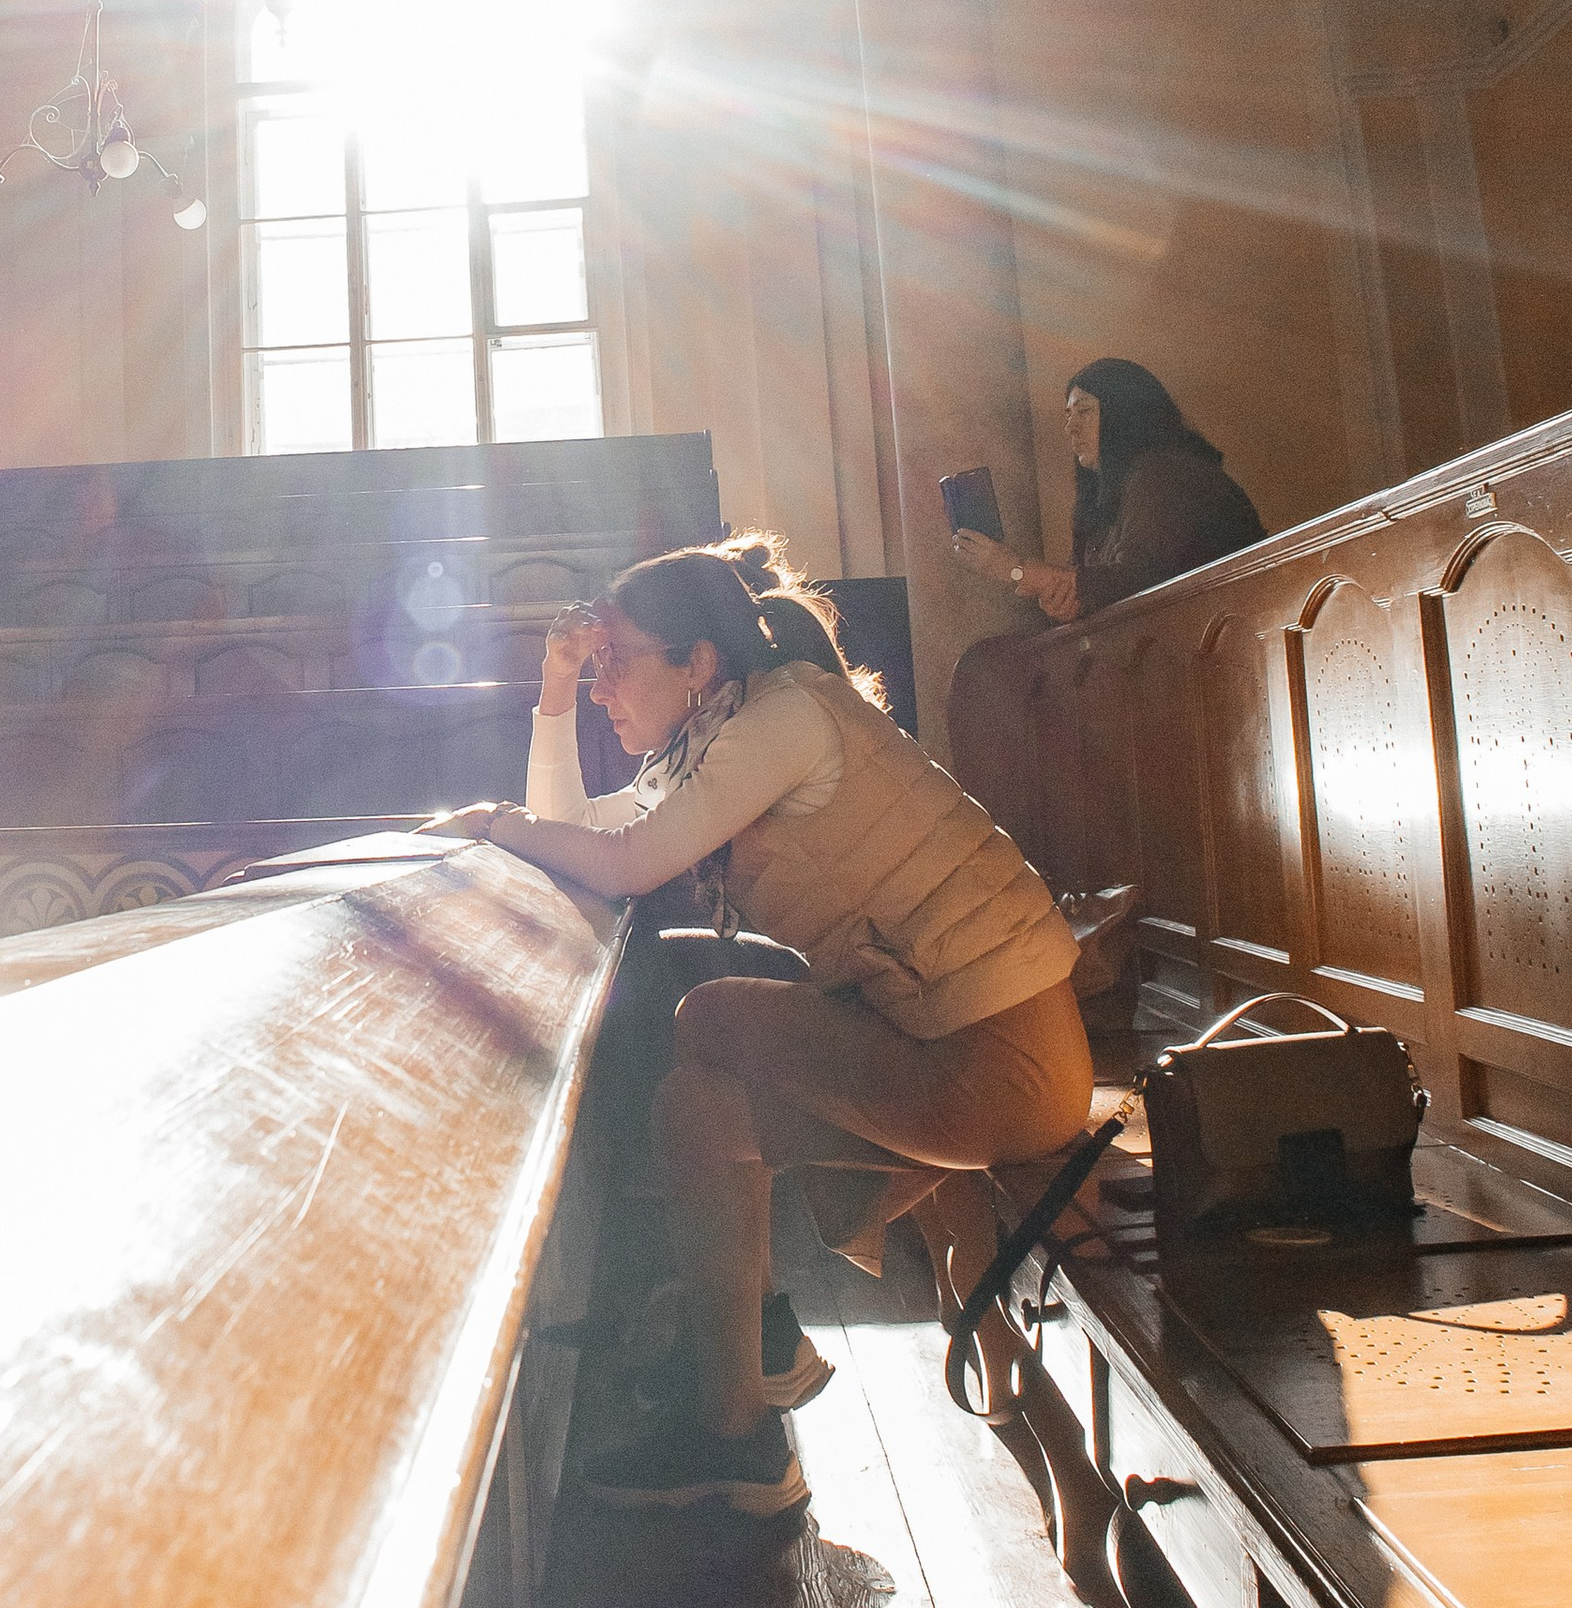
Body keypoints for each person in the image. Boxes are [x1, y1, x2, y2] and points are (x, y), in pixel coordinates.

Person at [457, 534, 1091, 1518]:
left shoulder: (783, 716)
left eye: (613, 661)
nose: (600, 684)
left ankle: (757, 1363)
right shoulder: (706, 739)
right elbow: (575, 836)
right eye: (594, 667)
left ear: (697, 662)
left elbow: (617, 861)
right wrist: (549, 690)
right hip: (940, 1043)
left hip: (1003, 1060)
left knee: (709, 1018)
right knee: (699, 1109)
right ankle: (741, 1415)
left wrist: (485, 822)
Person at [952, 356, 1262, 624]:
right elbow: (1091, 587)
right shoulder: (1104, 495)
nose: (1070, 428)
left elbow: (1140, 578)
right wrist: (1064, 601)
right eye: (1068, 415)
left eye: (1084, 411)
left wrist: (1016, 569)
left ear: (1126, 414)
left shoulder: (1166, 472)